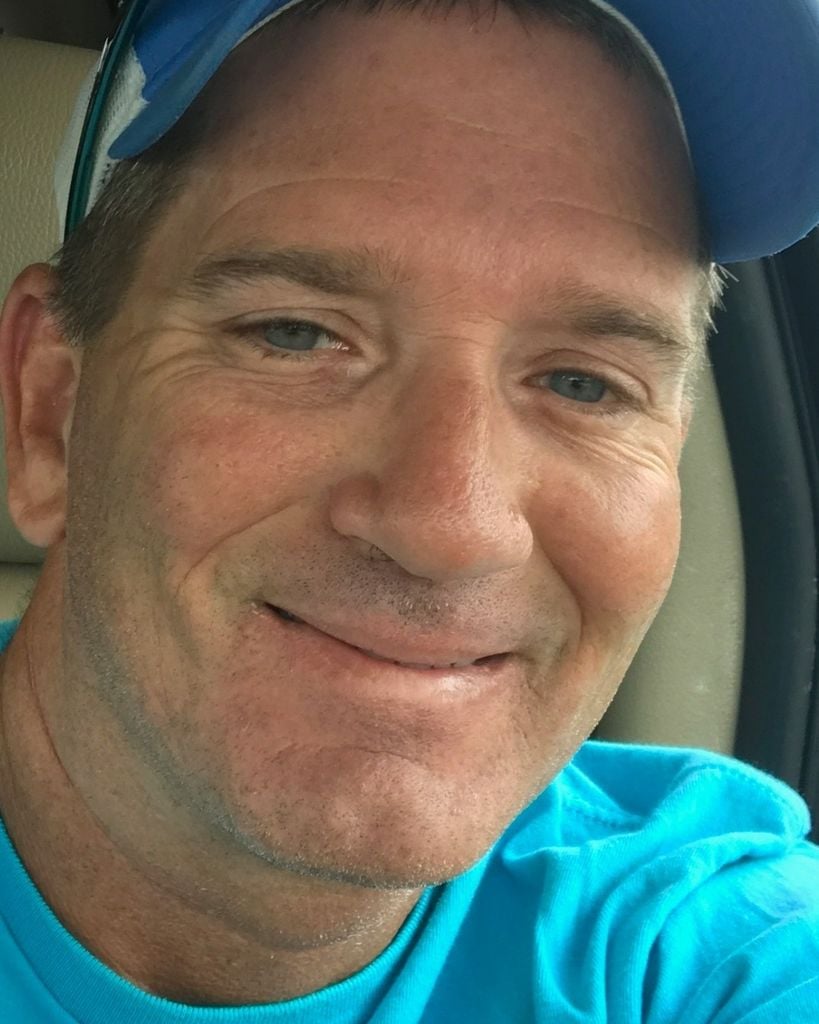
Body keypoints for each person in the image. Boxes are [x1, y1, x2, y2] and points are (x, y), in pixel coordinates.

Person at [0, 0, 817, 1019]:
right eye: (295, 334)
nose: (451, 526)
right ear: (51, 412)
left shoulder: (709, 944)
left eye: (583, 385)